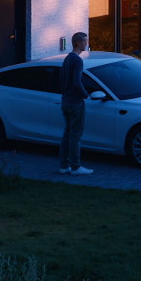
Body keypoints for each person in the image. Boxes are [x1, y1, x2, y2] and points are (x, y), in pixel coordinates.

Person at [59, 31, 93, 175]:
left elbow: (62, 79)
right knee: (75, 135)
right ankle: (76, 167)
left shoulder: (67, 59)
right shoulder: (78, 60)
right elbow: (77, 82)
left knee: (67, 133)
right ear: (78, 43)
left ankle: (64, 165)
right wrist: (86, 95)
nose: (87, 44)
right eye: (85, 42)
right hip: (75, 102)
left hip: (65, 101)